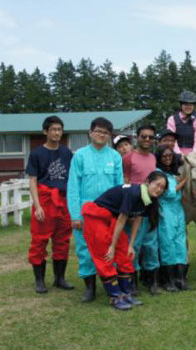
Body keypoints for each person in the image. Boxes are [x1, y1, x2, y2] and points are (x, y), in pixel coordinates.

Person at [81, 171, 167, 310]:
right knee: (105, 255)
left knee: (125, 254)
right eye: (157, 185)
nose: (159, 189)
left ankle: (126, 293)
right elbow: (122, 219)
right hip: (97, 216)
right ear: (147, 182)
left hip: (113, 219)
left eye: (162, 187)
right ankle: (115, 296)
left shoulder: (148, 199)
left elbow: (138, 219)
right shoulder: (134, 193)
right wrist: (112, 246)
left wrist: (131, 245)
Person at [68, 117, 123, 303]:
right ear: (90, 133)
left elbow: (119, 186)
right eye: (98, 131)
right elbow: (73, 187)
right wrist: (75, 215)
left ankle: (110, 285)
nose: (101, 135)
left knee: (109, 248)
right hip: (86, 211)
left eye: (106, 133)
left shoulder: (115, 157)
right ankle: (89, 288)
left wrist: (118, 212)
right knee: (85, 249)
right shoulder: (80, 156)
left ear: (109, 136)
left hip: (108, 211)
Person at [26, 116, 74, 294]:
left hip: (63, 200)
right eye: (53, 129)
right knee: (39, 240)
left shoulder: (67, 153)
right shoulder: (37, 154)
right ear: (45, 131)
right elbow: (33, 180)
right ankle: (40, 281)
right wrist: (37, 206)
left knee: (62, 240)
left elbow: (72, 178)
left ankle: (59, 278)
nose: (57, 133)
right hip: (45, 200)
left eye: (59, 129)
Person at [122, 124, 159, 294]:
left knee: (151, 244)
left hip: (151, 205)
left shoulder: (153, 158)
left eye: (150, 137)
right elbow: (125, 181)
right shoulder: (128, 158)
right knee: (134, 244)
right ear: (137, 137)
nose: (147, 139)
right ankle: (132, 282)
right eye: (144, 136)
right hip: (135, 206)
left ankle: (152, 281)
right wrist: (128, 209)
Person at [155, 145, 188, 292]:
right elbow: (168, 192)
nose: (168, 158)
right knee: (168, 243)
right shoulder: (158, 173)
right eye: (164, 156)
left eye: (170, 155)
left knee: (180, 242)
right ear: (159, 157)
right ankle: (168, 281)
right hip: (165, 210)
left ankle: (181, 279)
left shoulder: (174, 173)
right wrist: (184, 181)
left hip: (178, 210)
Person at [166, 90, 196, 155]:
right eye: (186, 104)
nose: (188, 107)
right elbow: (171, 139)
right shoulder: (172, 119)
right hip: (175, 154)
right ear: (181, 105)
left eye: (191, 105)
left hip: (193, 155)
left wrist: (193, 155)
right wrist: (179, 155)